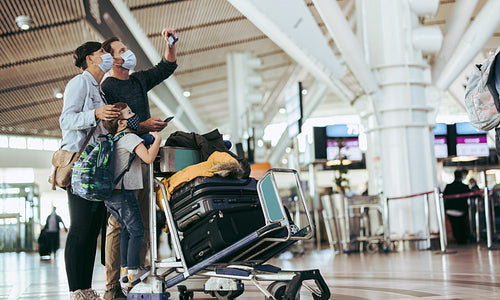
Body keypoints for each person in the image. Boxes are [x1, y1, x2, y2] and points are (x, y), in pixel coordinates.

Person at [101, 27, 177, 300]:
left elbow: (166, 67)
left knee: (141, 220)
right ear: (112, 59)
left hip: (142, 159)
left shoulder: (137, 81)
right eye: (121, 50)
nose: (128, 52)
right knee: (120, 224)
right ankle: (114, 284)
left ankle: (136, 272)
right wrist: (142, 124)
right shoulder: (107, 87)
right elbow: (110, 123)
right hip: (122, 162)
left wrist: (170, 44)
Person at [59, 41, 120, 300]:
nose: (108, 56)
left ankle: (86, 288)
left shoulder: (100, 89)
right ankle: (76, 290)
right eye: (103, 52)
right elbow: (66, 120)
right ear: (90, 58)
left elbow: (100, 129)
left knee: (93, 228)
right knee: (81, 228)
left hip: (98, 166)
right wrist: (95, 113)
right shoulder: (79, 83)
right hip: (80, 165)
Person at [102, 102, 162, 289]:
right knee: (137, 231)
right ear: (121, 122)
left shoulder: (117, 138)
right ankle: (135, 274)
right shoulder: (129, 138)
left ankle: (126, 272)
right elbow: (148, 158)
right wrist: (157, 140)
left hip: (113, 196)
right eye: (129, 113)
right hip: (125, 194)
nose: (134, 114)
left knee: (127, 231)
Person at [443, 169, 471, 244]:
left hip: (450, 210)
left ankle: (458, 239)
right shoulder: (464, 187)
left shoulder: (448, 186)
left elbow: (444, 196)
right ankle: (462, 240)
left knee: (454, 226)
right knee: (462, 225)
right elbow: (471, 195)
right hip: (461, 210)